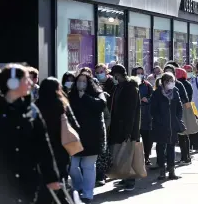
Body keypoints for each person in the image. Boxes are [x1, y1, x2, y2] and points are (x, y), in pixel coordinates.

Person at [0, 64, 60, 203]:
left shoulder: (31, 110)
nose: (30, 83)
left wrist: (51, 177)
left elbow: (44, 145)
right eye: (26, 79)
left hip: (27, 178)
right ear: (12, 83)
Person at [35, 77, 80, 204]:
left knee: (44, 182)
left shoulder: (35, 106)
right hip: (62, 148)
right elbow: (75, 126)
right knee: (61, 180)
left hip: (42, 150)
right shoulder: (62, 105)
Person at [69, 73, 107, 203]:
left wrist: (84, 97)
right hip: (75, 137)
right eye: (79, 81)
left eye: (84, 81)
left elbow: (101, 105)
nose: (81, 83)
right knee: (72, 166)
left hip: (92, 137)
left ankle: (87, 194)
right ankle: (79, 187)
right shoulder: (71, 95)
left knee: (88, 166)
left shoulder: (97, 93)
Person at [108, 64, 141, 191]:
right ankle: (124, 177)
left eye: (114, 75)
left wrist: (128, 131)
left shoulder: (130, 88)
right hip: (118, 126)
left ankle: (130, 179)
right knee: (121, 154)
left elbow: (131, 111)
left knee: (128, 153)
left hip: (128, 127)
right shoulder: (119, 87)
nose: (113, 77)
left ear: (118, 75)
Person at [150, 72, 184, 180]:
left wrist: (177, 119)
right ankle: (162, 170)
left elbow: (179, 107)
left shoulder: (175, 92)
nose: (172, 83)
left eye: (173, 81)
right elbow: (153, 109)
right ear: (164, 82)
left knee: (171, 147)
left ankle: (171, 171)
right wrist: (158, 120)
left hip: (172, 125)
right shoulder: (157, 94)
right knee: (160, 147)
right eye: (170, 81)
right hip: (160, 125)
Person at [183, 65, 198, 153]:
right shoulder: (181, 81)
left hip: (194, 106)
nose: (188, 73)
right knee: (186, 127)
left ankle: (197, 146)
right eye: (186, 71)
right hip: (185, 106)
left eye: (190, 71)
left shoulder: (197, 80)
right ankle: (188, 146)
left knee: (196, 126)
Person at [132, 66, 154, 165]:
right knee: (135, 138)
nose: (140, 75)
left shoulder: (147, 85)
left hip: (146, 115)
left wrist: (147, 100)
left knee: (147, 138)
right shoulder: (131, 85)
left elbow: (153, 98)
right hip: (134, 116)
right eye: (138, 73)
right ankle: (136, 157)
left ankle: (147, 156)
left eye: (141, 73)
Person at [175, 68, 193, 165]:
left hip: (181, 111)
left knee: (182, 136)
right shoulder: (187, 84)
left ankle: (185, 157)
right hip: (185, 110)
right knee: (184, 135)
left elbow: (186, 99)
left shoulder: (180, 85)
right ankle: (186, 157)